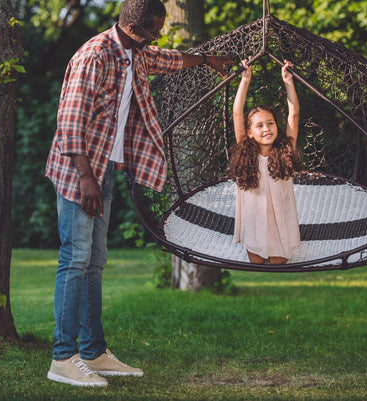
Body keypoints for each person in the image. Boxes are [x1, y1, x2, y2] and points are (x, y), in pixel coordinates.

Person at [44, 0, 233, 387]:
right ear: (134, 29)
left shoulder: (135, 54)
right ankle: (63, 358)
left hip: (104, 173)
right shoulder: (94, 56)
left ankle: (94, 352)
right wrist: (87, 180)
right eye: (153, 31)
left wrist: (207, 59)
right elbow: (69, 123)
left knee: (95, 262)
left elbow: (170, 59)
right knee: (75, 260)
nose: (157, 38)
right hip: (80, 174)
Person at [228, 60, 304, 265]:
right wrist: (245, 80)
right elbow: (237, 113)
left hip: (281, 226)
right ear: (250, 133)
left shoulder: (285, 149)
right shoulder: (247, 152)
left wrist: (288, 80)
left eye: (270, 123)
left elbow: (294, 114)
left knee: (278, 265)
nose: (266, 128)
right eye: (259, 126)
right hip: (254, 225)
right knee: (257, 264)